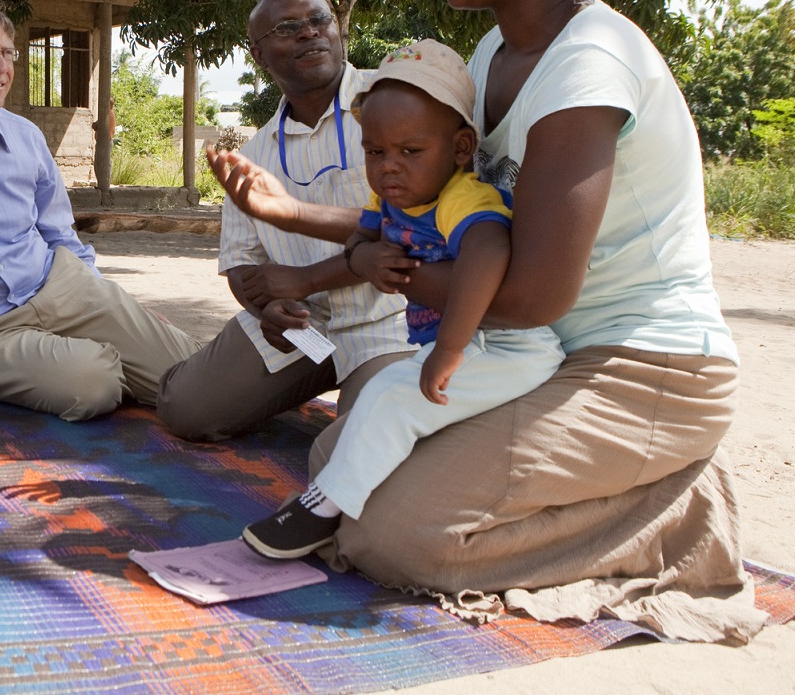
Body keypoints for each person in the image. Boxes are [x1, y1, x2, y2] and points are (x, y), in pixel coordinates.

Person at [208, 0, 762, 642]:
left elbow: (532, 294)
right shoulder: (498, 49)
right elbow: (439, 215)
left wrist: (378, 267)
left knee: (393, 536)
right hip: (535, 355)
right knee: (343, 465)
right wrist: (304, 221)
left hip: (647, 368)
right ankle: (588, 484)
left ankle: (674, 512)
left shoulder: (589, 68)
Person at [240, 40, 562, 559]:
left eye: (411, 152)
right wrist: (362, 255)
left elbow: (487, 257)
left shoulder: (465, 198)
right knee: (382, 397)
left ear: (460, 149)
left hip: (506, 346)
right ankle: (329, 498)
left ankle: (321, 510)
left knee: (393, 400)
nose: (389, 168)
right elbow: (364, 237)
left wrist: (450, 350)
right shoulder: (393, 194)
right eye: (375, 153)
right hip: (466, 343)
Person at [0, 0, 199, 421]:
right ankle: (106, 364)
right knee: (92, 385)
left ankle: (127, 361)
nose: (2, 65)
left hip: (62, 287)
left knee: (195, 374)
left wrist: (105, 298)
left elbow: (60, 234)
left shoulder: (25, 137)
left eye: (8, 53)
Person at [156, 0, 412, 442]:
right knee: (186, 409)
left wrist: (307, 278)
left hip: (393, 320)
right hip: (304, 325)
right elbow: (241, 263)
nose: (310, 34)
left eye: (320, 21)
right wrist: (268, 308)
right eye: (288, 28)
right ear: (258, 53)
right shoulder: (255, 154)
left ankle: (367, 392)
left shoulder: (396, 102)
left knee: (364, 449)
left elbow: (416, 229)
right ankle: (295, 377)